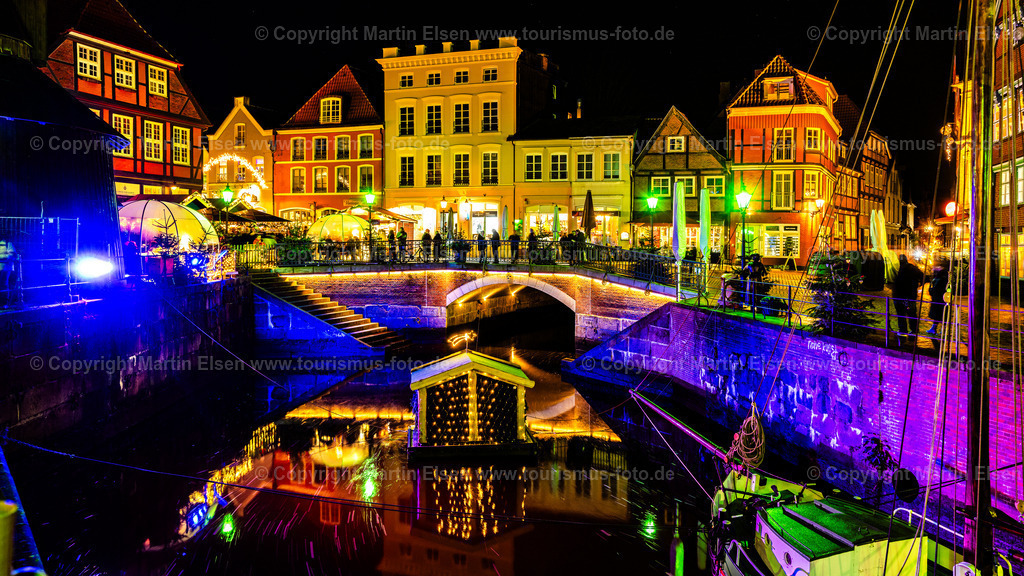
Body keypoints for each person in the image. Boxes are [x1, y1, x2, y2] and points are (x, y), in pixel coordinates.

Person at [892, 254, 924, 335]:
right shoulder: (912, 268)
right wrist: (919, 283)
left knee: (901, 313)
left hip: (899, 295)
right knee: (911, 313)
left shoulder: (898, 268)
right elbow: (923, 276)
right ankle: (914, 330)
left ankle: (903, 330)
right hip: (910, 295)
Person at [925, 259, 949, 336]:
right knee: (939, 314)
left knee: (941, 314)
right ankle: (935, 328)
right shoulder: (940, 277)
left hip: (939, 298)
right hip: (937, 298)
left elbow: (940, 288)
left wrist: (933, 290)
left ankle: (943, 330)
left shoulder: (941, 278)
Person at [0, 240, 16, 308]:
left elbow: (12, 255)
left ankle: (4, 303)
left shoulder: (8, 243)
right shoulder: (7, 243)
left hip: (5, 268)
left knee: (3, 284)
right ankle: (3, 303)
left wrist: (2, 257)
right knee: (3, 285)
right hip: (4, 267)